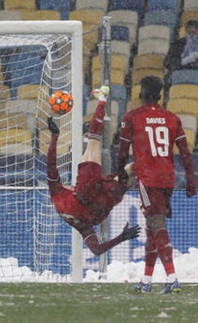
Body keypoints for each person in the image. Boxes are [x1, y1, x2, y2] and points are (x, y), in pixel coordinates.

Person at [117, 76, 197, 294]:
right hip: (167, 179)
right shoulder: (171, 118)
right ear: (161, 95)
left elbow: (122, 153)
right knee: (153, 228)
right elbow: (185, 152)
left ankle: (172, 277)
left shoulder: (132, 117)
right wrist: (191, 179)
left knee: (156, 224)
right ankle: (146, 279)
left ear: (141, 94)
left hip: (148, 179)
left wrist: (121, 175)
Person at [47, 86, 140, 257]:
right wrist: (54, 136)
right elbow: (51, 165)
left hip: (101, 206)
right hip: (85, 191)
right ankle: (102, 97)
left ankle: (148, 162)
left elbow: (96, 250)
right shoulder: (56, 193)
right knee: (93, 140)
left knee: (127, 174)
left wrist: (122, 237)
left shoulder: (81, 226)